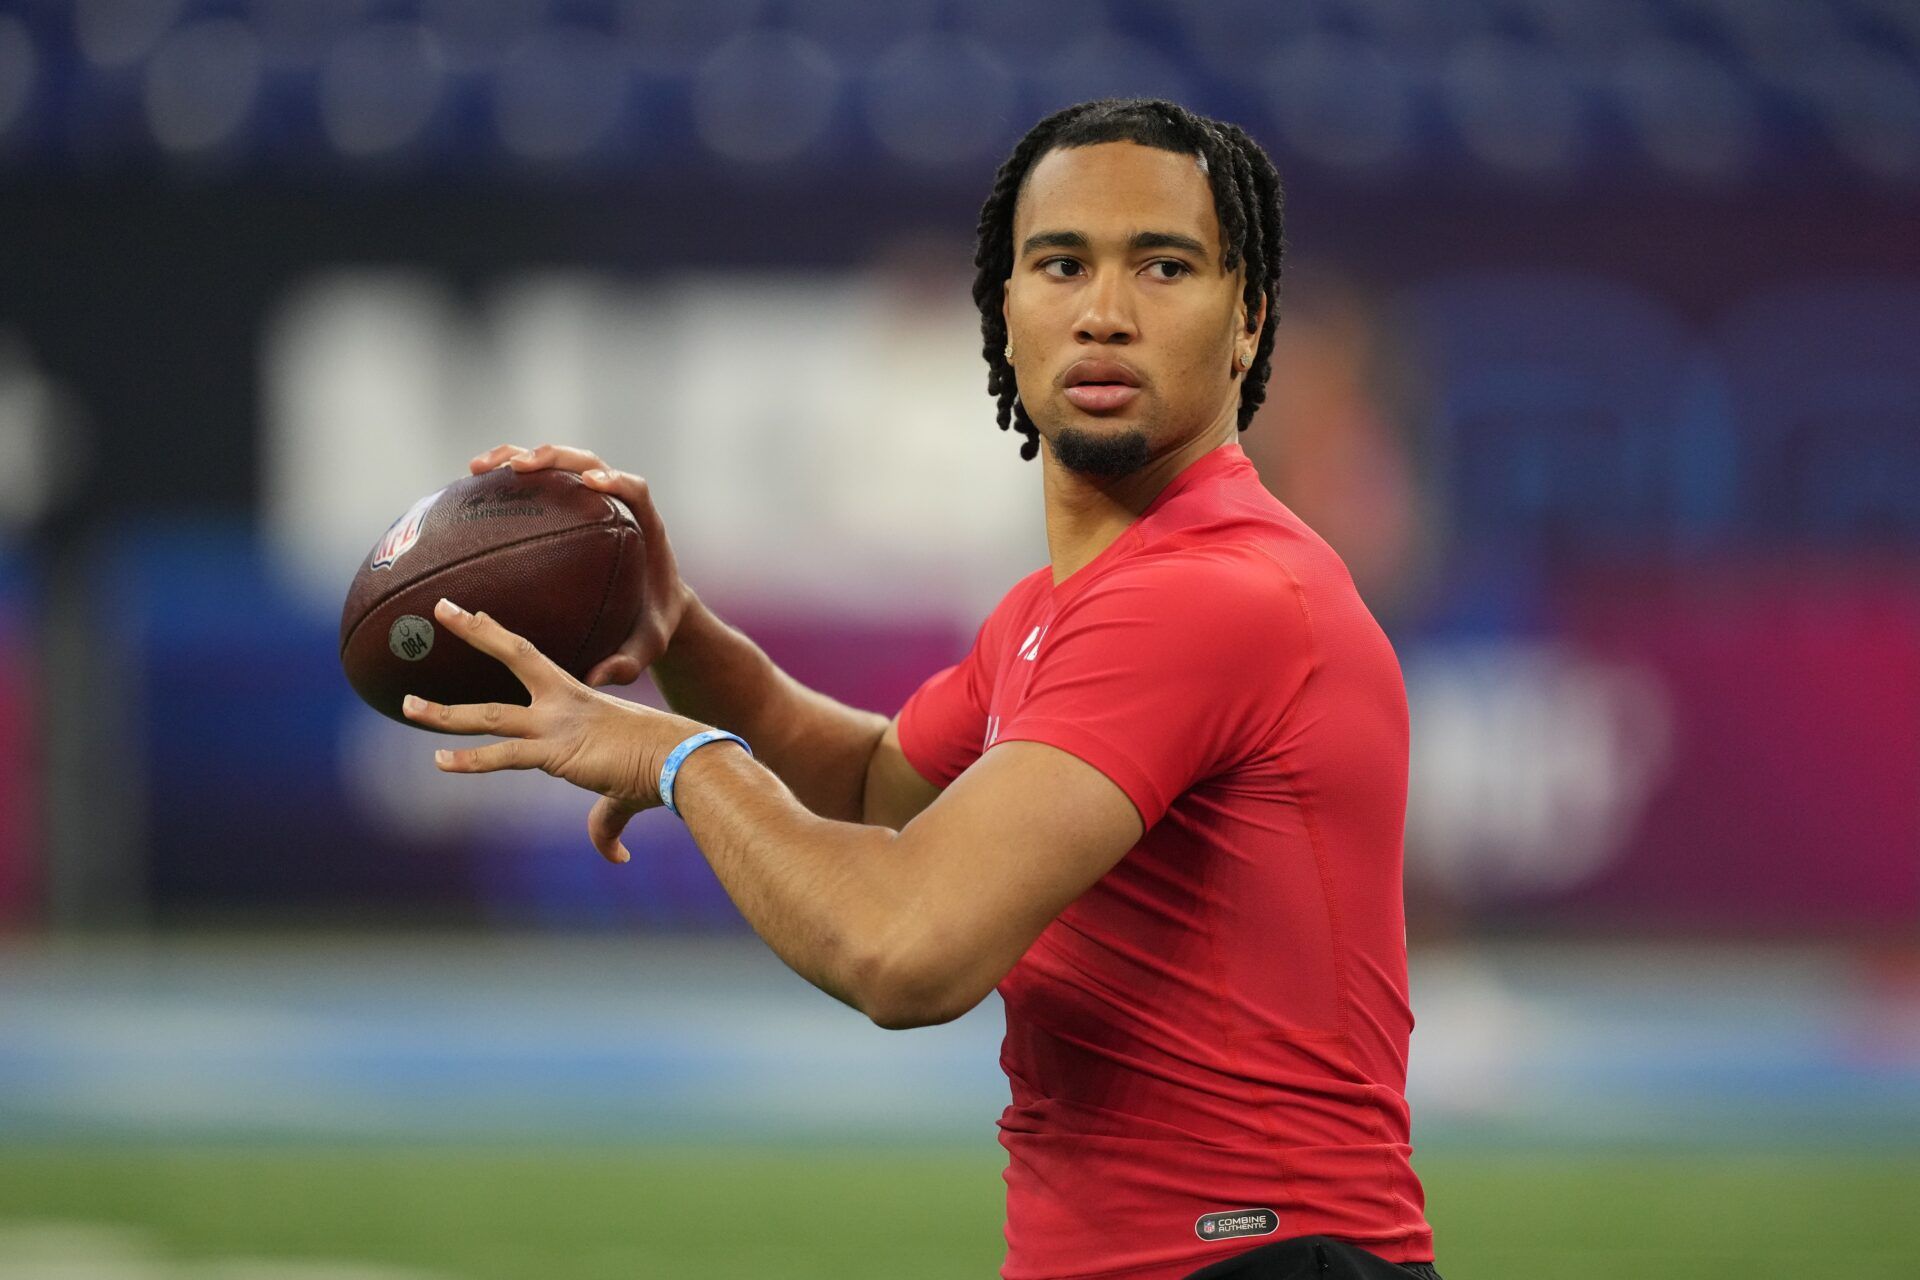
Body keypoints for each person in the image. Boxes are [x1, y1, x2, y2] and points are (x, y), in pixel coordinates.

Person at [402, 99, 1439, 1280]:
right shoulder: (1064, 607)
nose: (1104, 312)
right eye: (1061, 264)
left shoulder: (1211, 595)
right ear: (1006, 312)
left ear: (1249, 321)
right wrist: (679, 629)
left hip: (1247, 1260)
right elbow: (871, 786)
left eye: (1164, 265)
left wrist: (674, 758)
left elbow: (906, 950)